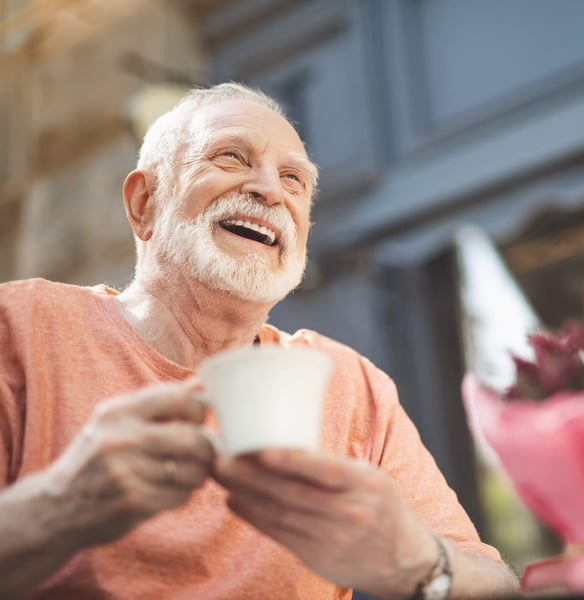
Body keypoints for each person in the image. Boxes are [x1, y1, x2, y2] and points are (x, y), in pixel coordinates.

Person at [0, 83, 520, 599]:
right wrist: (59, 506)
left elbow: (498, 588)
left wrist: (413, 558)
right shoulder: (20, 327)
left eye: (294, 180)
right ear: (144, 203)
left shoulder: (352, 386)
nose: (270, 190)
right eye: (230, 157)